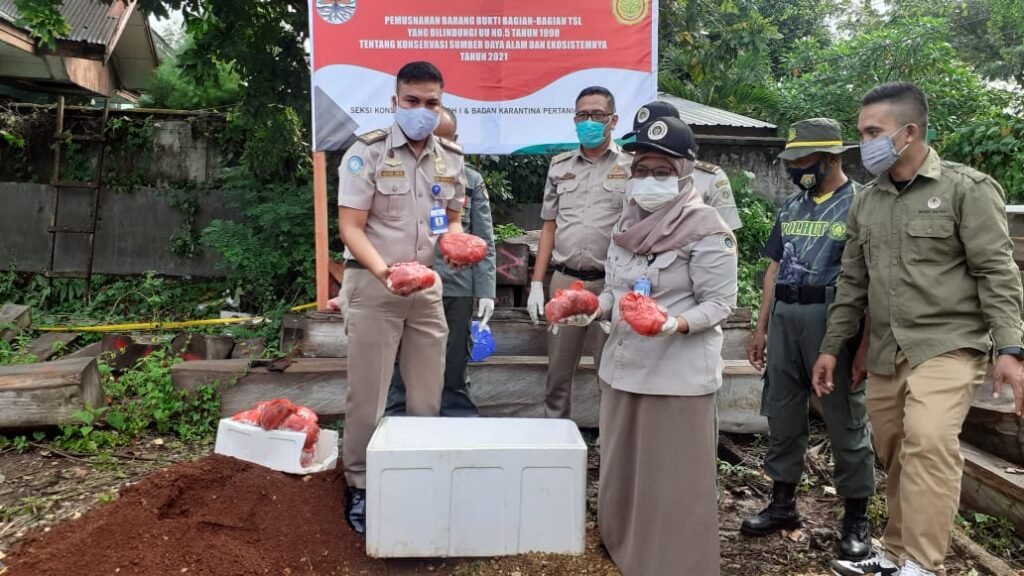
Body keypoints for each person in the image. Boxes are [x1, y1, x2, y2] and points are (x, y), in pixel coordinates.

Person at [815, 82, 1024, 576]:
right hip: (889, 349)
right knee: (898, 451)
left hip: (948, 344)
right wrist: (833, 347)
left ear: (908, 133)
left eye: (872, 132)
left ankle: (924, 566)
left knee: (929, 441)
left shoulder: (965, 189)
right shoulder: (867, 202)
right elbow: (852, 284)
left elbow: (996, 271)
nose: (863, 143)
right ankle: (894, 554)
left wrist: (1010, 348)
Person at [560, 116, 737, 575]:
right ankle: (622, 549)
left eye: (661, 171)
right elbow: (618, 293)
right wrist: (594, 307)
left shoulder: (706, 227)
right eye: (641, 170)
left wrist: (675, 324)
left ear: (684, 172)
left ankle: (672, 563)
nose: (649, 180)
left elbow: (720, 303)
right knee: (623, 467)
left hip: (675, 376)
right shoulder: (628, 222)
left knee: (670, 478)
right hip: (624, 366)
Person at [336, 61, 467, 535]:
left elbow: (452, 217)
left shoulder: (450, 156)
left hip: (427, 289)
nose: (422, 111)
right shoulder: (365, 153)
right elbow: (350, 227)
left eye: (431, 102)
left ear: (441, 105)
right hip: (376, 286)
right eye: (412, 101)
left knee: (428, 393)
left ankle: (417, 474)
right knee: (368, 395)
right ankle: (361, 484)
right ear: (395, 102)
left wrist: (455, 241)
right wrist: (385, 272)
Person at [741, 118, 875, 561]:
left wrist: (866, 344)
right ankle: (782, 505)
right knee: (781, 412)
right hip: (785, 317)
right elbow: (774, 270)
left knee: (844, 420)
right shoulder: (792, 207)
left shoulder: (860, 203)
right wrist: (761, 327)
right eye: (792, 161)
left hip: (833, 319)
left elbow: (872, 280)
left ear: (831, 157)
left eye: (803, 160)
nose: (795, 167)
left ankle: (856, 517)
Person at [528, 86, 632, 419]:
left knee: (611, 374)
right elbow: (548, 227)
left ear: (612, 120)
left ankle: (612, 451)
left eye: (597, 115)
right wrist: (535, 283)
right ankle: (554, 446)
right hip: (565, 283)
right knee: (557, 374)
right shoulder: (559, 167)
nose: (589, 121)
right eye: (582, 115)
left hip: (610, 286)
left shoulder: (630, 167)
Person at [386, 106, 497, 417]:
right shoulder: (400, 174)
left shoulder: (471, 180)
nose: (436, 146)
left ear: (456, 140)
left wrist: (486, 290)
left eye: (444, 140)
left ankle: (457, 429)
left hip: (455, 287)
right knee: (402, 363)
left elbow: (483, 240)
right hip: (412, 285)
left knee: (453, 366)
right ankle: (396, 424)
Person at [623, 100, 742, 230]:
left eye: (656, 132)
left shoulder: (709, 178)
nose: (647, 143)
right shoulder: (634, 180)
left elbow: (726, 232)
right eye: (640, 138)